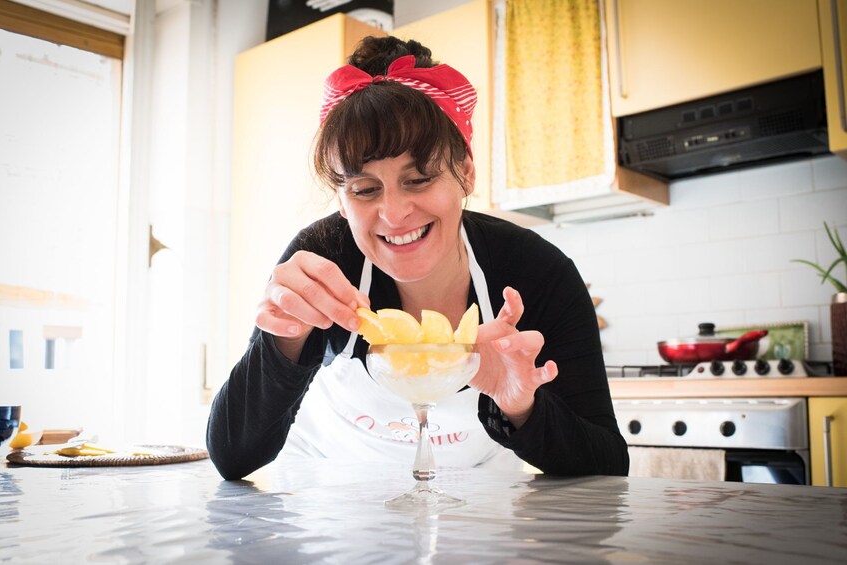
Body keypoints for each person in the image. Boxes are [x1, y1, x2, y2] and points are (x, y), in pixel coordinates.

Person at [207, 36, 629, 481]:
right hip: (329, 502)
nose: (393, 214)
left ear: (464, 172)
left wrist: (522, 406)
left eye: (419, 179)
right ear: (342, 197)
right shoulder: (322, 261)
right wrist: (285, 338)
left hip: (476, 513)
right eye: (365, 190)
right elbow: (233, 457)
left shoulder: (536, 271)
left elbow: (607, 464)